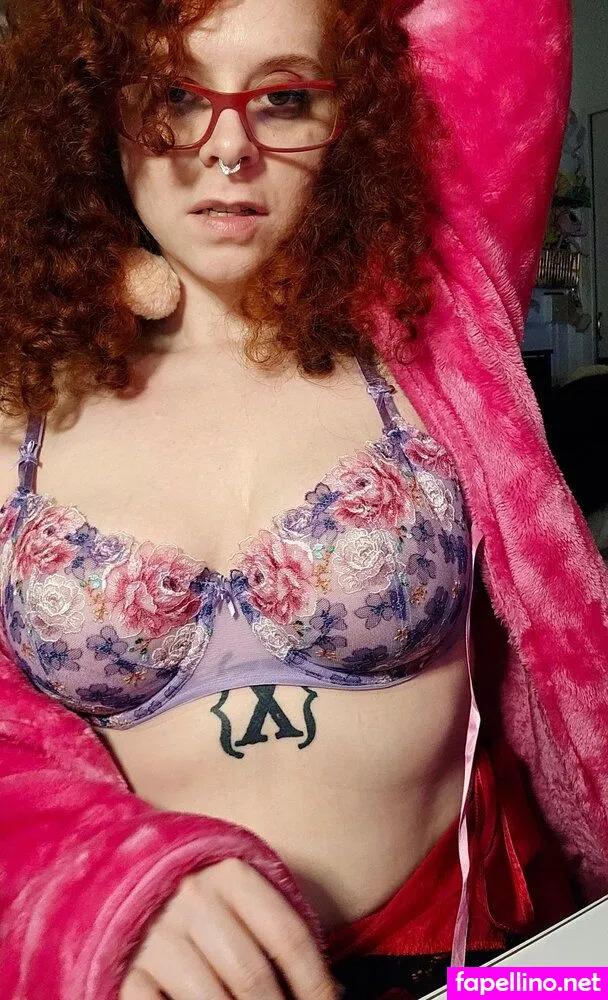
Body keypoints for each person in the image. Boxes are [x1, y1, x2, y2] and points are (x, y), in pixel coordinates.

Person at [0, 0, 606, 998]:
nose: (227, 146)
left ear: (351, 115)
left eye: (283, 98)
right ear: (98, 112)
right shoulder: (21, 402)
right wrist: (97, 888)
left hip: (488, 962)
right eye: (173, 95)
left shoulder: (429, 322)